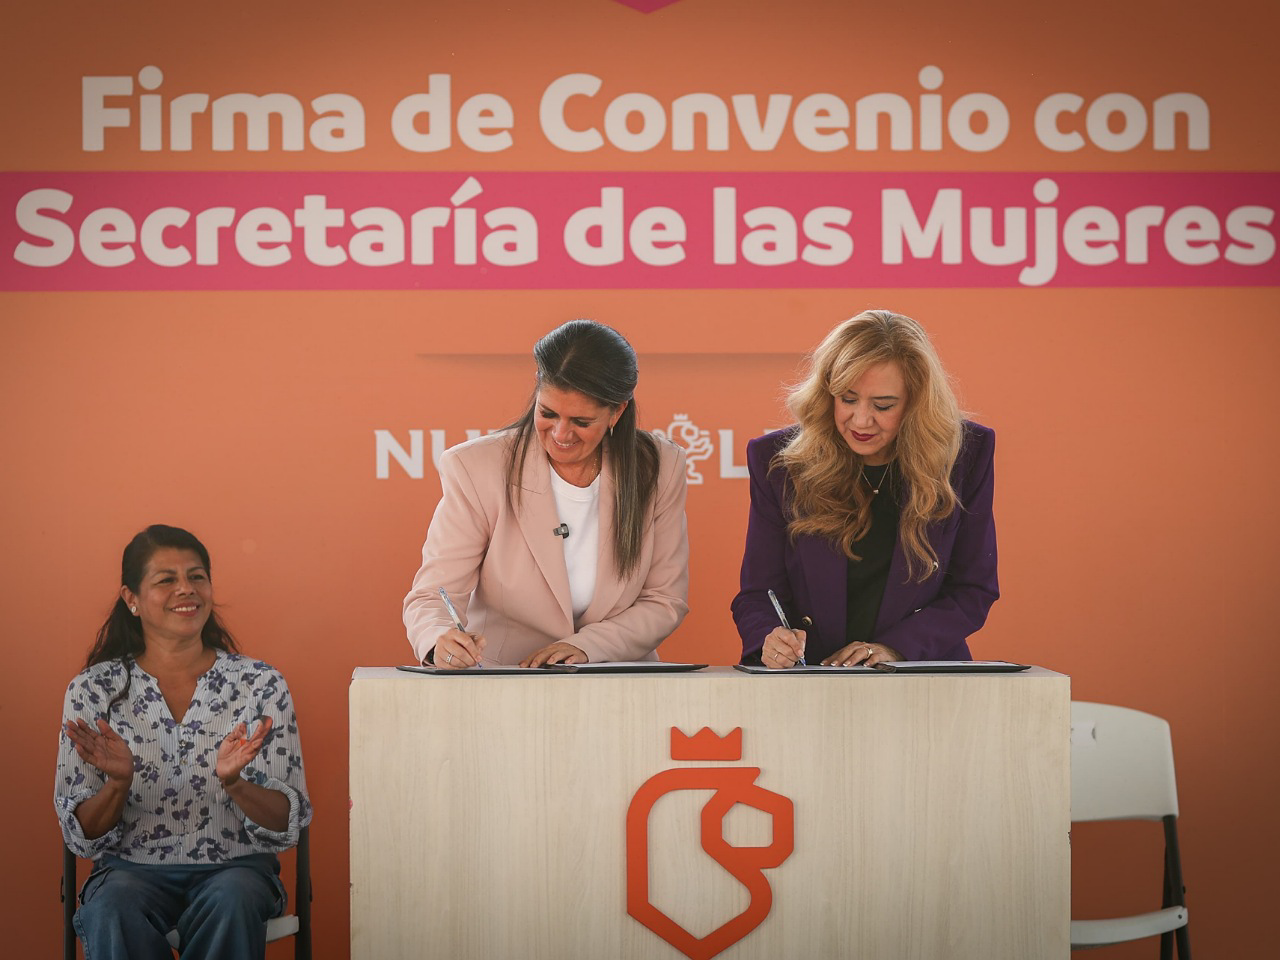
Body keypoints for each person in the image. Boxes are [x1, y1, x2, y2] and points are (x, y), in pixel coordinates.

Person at [56, 524, 311, 960]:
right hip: (129, 872)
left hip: (236, 870)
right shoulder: (93, 691)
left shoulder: (260, 684)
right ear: (132, 598)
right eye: (166, 580)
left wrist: (236, 784)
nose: (186, 589)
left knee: (233, 898)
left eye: (196, 577)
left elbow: (288, 821)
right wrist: (117, 783)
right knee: (112, 907)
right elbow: (82, 834)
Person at [404, 319, 690, 668]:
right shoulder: (476, 467)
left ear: (617, 412)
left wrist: (587, 647)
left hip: (618, 677)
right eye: (548, 413)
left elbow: (664, 599)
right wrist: (439, 638)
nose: (561, 434)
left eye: (581, 422)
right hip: (505, 678)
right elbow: (433, 595)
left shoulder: (660, 466)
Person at [732, 309, 998, 668]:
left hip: (921, 675)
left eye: (883, 405)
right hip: (811, 677)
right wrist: (770, 637)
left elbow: (973, 589)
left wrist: (895, 649)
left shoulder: (965, 453)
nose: (860, 420)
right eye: (847, 399)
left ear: (917, 402)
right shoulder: (778, 460)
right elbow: (757, 595)